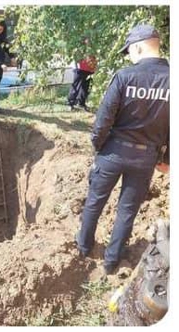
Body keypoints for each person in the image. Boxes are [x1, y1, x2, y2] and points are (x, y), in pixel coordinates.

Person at [76, 24, 169, 275]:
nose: (129, 57)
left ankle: (84, 247)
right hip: (146, 156)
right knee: (127, 211)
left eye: (129, 51)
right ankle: (111, 262)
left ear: (138, 46)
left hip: (113, 151)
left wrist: (98, 146)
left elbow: (103, 120)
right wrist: (167, 159)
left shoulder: (125, 76)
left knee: (95, 201)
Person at [67, 37, 97, 111]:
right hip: (80, 68)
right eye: (87, 39)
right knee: (76, 86)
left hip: (90, 69)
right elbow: (76, 57)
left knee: (85, 88)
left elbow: (96, 58)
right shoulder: (80, 47)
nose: (89, 41)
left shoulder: (94, 47)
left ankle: (81, 103)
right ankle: (70, 103)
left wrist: (95, 67)